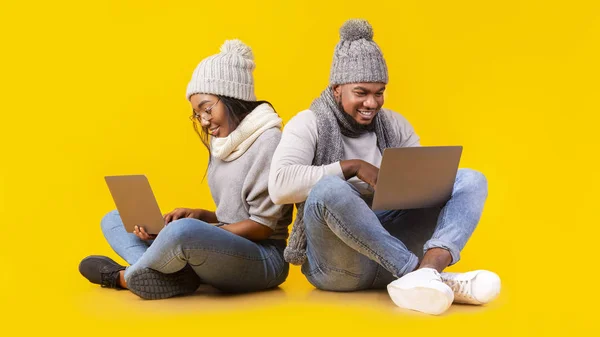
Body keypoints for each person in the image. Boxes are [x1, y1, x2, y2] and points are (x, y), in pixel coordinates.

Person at [268, 19, 500, 315]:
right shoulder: (309, 123)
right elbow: (279, 186)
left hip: (390, 243)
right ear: (337, 89)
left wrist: (411, 182)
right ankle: (422, 274)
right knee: (328, 189)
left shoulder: (395, 126)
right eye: (361, 92)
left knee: (471, 179)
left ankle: (428, 271)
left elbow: (425, 189)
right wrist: (351, 167)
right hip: (340, 266)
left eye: (379, 92)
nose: (371, 102)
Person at [79, 39, 293, 300]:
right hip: (220, 250)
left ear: (233, 98)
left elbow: (262, 226)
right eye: (196, 114)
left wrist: (195, 233)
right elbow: (235, 211)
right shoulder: (224, 142)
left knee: (182, 232)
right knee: (114, 219)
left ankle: (125, 277)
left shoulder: (267, 141)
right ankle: (172, 274)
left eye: (207, 109)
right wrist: (202, 216)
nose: (203, 121)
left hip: (262, 259)